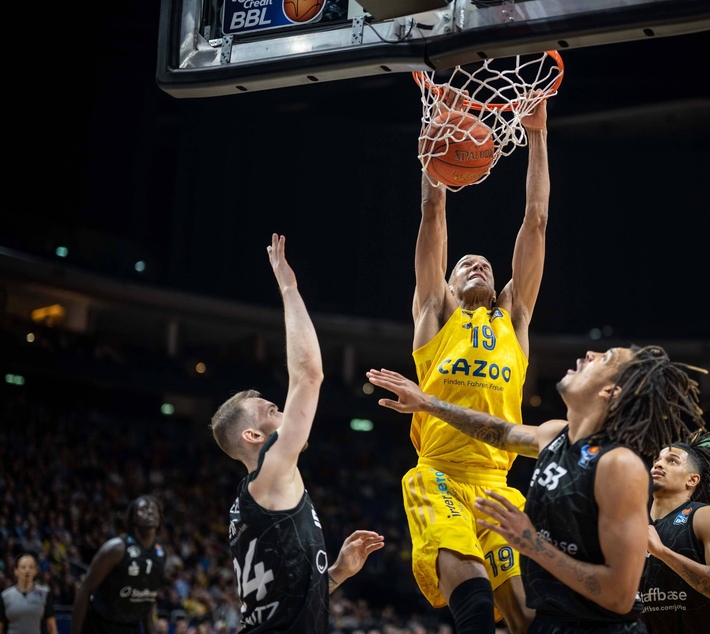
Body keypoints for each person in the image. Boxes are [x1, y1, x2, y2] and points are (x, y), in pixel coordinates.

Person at [368, 343, 708, 633]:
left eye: (603, 359)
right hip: (550, 621)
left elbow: (619, 595)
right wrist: (427, 403)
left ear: (610, 392)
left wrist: (531, 544)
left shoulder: (619, 466)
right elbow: (500, 431)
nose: (589, 353)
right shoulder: (555, 435)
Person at [403, 92, 551, 634]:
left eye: (485, 264)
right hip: (439, 473)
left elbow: (535, 221)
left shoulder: (514, 319)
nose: (477, 265)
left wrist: (536, 135)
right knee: (469, 591)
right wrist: (433, 140)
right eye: (466, 263)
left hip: (496, 479)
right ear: (447, 283)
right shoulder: (436, 312)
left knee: (519, 611)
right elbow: (433, 211)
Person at [209, 233, 384, 633]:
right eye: (272, 411)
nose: (285, 412)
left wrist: (337, 573)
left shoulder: (259, 499)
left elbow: (282, 603)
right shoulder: (270, 473)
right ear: (254, 436)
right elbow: (308, 374)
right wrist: (289, 286)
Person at [640, 431, 710, 633]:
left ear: (692, 480)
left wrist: (662, 552)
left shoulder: (705, 516)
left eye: (672, 461)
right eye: (657, 460)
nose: (658, 464)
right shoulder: (633, 524)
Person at [71, 495, 167, 634]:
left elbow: (147, 599)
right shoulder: (116, 548)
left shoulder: (161, 553)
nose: (150, 511)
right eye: (143, 509)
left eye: (154, 509)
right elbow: (84, 590)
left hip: (131, 627)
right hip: (101, 625)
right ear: (133, 518)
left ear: (159, 518)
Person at [0, 552, 59, 634]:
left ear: (35, 571)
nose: (27, 570)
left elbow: (52, 627)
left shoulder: (44, 593)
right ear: (16, 571)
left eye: (31, 567)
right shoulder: (5, 596)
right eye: (23, 567)